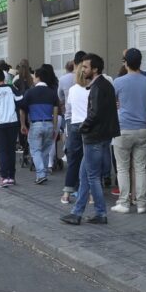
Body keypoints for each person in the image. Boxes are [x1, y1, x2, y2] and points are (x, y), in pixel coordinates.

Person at [61, 53, 119, 225]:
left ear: (95, 69)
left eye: (85, 67)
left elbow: (94, 114)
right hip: (100, 136)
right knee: (85, 175)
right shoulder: (105, 84)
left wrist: (82, 128)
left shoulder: (98, 87)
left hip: (94, 137)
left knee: (92, 177)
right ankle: (77, 213)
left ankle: (99, 213)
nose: (82, 69)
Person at [110, 49, 146, 213]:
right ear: (140, 62)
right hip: (143, 128)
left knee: (122, 168)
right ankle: (141, 204)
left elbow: (113, 101)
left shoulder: (118, 82)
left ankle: (124, 202)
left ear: (126, 62)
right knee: (140, 167)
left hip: (123, 128)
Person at [22, 67, 60, 185]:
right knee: (45, 150)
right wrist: (54, 128)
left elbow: (22, 110)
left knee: (35, 150)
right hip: (49, 123)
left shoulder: (30, 92)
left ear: (38, 77)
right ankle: (41, 174)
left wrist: (23, 124)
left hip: (36, 124)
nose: (33, 78)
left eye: (34, 76)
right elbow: (55, 111)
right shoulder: (52, 93)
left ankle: (41, 174)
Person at [61, 60, 90, 205]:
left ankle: (67, 193)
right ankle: (89, 194)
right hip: (89, 126)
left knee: (73, 160)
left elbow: (69, 109)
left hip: (74, 124)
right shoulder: (91, 89)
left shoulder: (72, 90)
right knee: (89, 160)